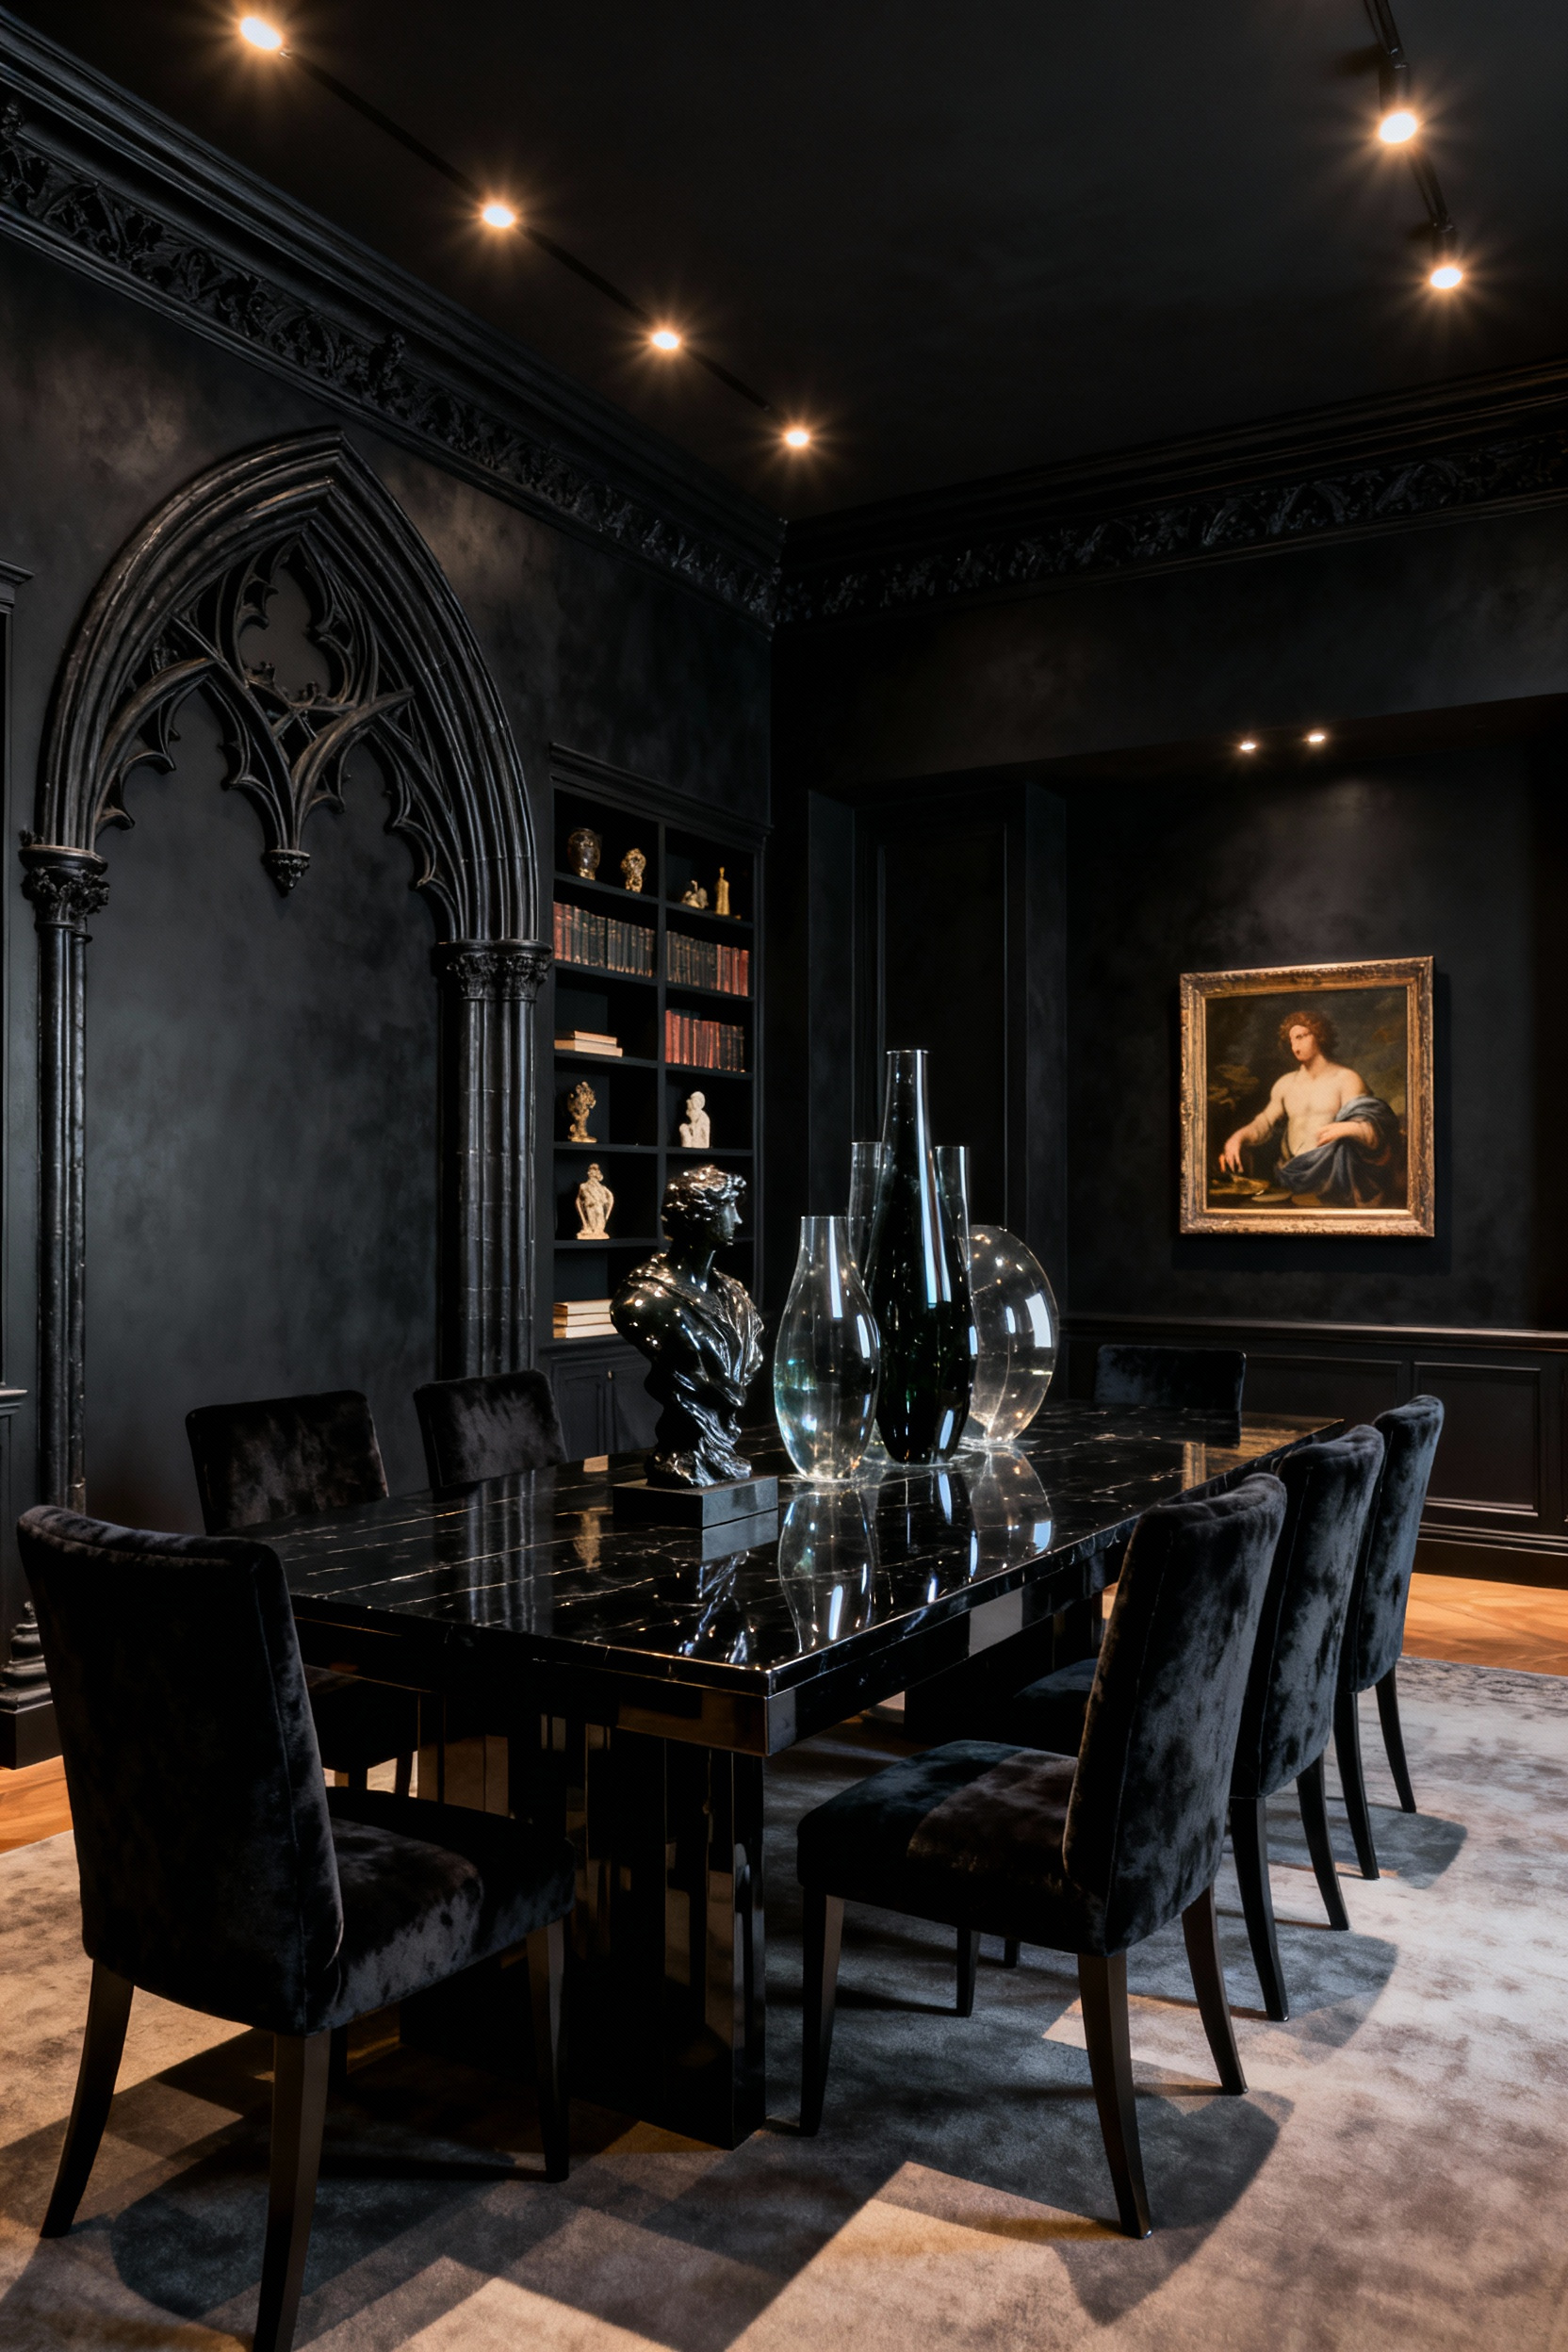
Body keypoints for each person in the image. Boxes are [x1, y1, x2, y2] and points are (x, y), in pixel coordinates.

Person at [611, 1164, 761, 1486]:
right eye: (728, 1208)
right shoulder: (645, 1300)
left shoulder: (734, 1296)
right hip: (681, 1454)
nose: (738, 1219)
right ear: (700, 1216)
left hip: (719, 1451)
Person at [1220, 1007, 1402, 1207]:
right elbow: (1264, 1123)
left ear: (1318, 1035)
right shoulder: (1285, 1084)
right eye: (1291, 1040)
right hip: (1291, 1177)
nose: (1294, 1046)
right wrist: (1237, 1138)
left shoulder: (1345, 1079)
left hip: (1333, 1180)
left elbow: (1373, 1129)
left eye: (1300, 1037)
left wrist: (1350, 1128)